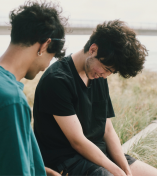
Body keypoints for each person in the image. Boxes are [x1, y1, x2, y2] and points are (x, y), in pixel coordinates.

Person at [33, 20, 157, 176]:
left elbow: (107, 128)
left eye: (111, 72)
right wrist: (116, 171)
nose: (105, 75)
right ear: (93, 49)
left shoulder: (98, 75)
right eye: (106, 69)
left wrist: (125, 169)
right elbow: (77, 141)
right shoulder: (58, 80)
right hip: (68, 161)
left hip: (99, 155)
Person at [0, 1, 67, 176]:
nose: (45, 67)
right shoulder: (10, 100)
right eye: (51, 58)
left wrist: (40, 170)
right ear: (44, 46)